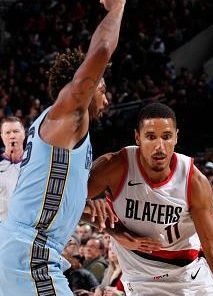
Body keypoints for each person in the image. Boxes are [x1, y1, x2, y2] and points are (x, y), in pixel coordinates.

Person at [0, 0, 125, 294]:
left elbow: (43, 192)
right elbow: (102, 51)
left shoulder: (62, 134)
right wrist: (117, 6)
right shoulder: (68, 114)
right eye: (102, 89)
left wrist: (80, 202)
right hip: (29, 252)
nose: (106, 101)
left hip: (23, 248)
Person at [87, 102, 213, 295]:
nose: (160, 146)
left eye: (166, 137)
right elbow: (65, 205)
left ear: (176, 136)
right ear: (137, 137)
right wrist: (114, 231)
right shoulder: (114, 167)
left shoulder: (193, 181)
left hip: (191, 278)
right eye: (151, 137)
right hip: (142, 280)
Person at [0, 116, 25, 223]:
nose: (12, 136)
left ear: (24, 134)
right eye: (8, 132)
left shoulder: (34, 164)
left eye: (16, 131)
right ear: (2, 136)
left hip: (27, 229)